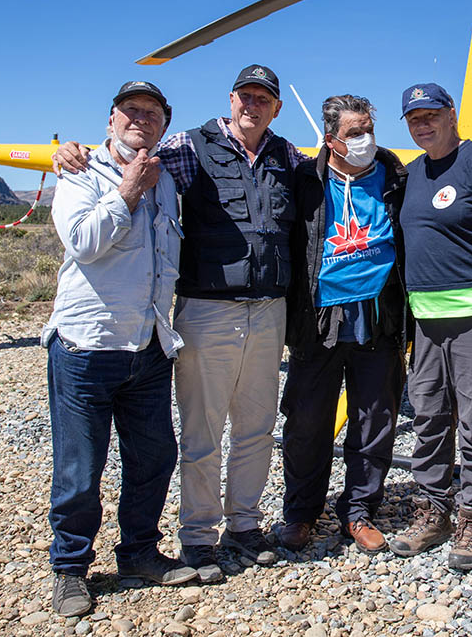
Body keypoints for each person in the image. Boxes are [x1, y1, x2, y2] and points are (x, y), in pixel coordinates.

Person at [53, 65, 304, 579]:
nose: (252, 106)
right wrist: (64, 149)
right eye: (245, 96)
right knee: (199, 433)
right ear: (231, 99)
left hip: (257, 313)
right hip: (201, 311)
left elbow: (336, 175)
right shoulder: (186, 149)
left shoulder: (286, 155)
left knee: (254, 429)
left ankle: (243, 525)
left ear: (275, 107)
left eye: (264, 99)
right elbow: (121, 161)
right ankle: (195, 537)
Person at [42, 81, 196, 618]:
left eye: (152, 113)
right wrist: (127, 188)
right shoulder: (80, 172)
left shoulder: (167, 182)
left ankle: (138, 552)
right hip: (87, 347)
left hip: (148, 344)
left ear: (163, 125)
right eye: (131, 111)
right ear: (110, 120)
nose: (141, 119)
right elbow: (84, 241)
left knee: (154, 457)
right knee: (80, 468)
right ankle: (69, 569)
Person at [388, 82, 472, 571]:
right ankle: (432, 512)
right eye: (412, 118)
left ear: (452, 114)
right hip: (427, 322)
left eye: (429, 114)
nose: (421, 124)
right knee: (427, 418)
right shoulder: (409, 174)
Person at [278, 94, 407, 554]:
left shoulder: (395, 177)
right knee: (307, 422)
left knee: (375, 420)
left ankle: (359, 511)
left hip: (379, 318)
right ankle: (300, 512)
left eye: (369, 128)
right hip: (319, 321)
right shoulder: (304, 181)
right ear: (330, 140)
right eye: (355, 133)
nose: (366, 139)